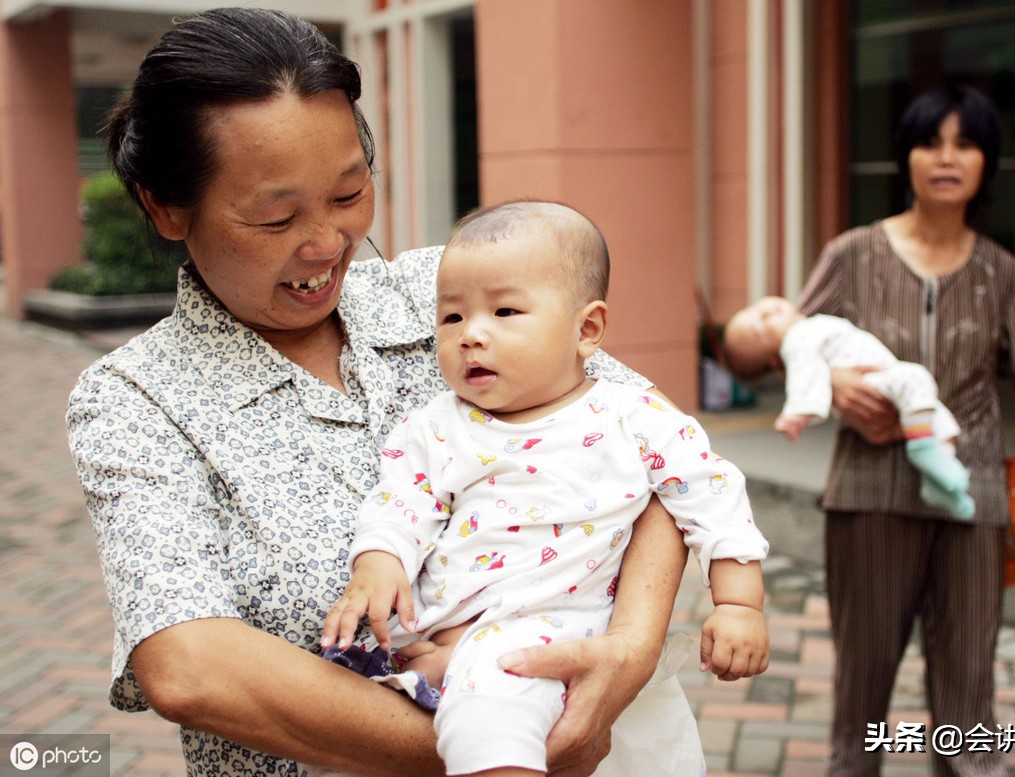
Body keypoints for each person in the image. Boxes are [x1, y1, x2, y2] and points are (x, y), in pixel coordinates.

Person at [66, 9, 695, 775]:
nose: (326, 243)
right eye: (275, 217)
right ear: (166, 207)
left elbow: (660, 447)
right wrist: (500, 745)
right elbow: (189, 664)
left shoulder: (451, 295)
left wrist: (630, 648)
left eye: (348, 193)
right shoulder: (136, 399)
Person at [321, 200, 770, 776]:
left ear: (587, 329)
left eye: (505, 311)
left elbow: (713, 498)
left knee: (491, 724)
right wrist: (377, 564)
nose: (470, 335)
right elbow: (398, 504)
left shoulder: (635, 418)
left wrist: (738, 604)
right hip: (445, 631)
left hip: (558, 632)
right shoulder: (434, 426)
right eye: (452, 317)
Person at [796, 84, 1015, 776]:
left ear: (986, 162)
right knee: (862, 685)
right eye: (930, 142)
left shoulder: (1003, 272)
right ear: (906, 158)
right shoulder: (852, 253)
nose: (947, 158)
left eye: (965, 144)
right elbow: (791, 339)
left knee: (969, 686)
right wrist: (833, 383)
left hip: (972, 496)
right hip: (867, 491)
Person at [723, 296, 974, 519]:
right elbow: (804, 378)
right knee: (917, 378)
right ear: (775, 360)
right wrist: (796, 414)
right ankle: (922, 450)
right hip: (871, 380)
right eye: (759, 328)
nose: (766, 313)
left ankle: (937, 482)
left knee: (938, 416)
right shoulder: (796, 339)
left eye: (756, 308)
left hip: (883, 375)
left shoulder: (809, 326)